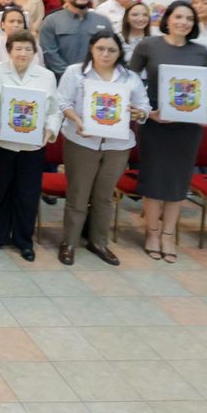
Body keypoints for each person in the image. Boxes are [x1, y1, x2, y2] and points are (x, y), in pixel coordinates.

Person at [55, 30, 149, 266]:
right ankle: (69, 242)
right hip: (81, 142)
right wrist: (77, 120)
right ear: (91, 49)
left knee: (104, 196)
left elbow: (144, 106)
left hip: (118, 146)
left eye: (111, 50)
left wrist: (139, 113)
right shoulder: (75, 73)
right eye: (100, 49)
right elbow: (62, 101)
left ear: (119, 53)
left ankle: (98, 242)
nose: (105, 54)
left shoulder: (130, 78)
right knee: (78, 194)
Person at [127, 0, 207, 264]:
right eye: (178, 17)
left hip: (188, 127)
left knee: (178, 181)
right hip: (156, 123)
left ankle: (168, 235)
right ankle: (152, 233)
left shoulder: (201, 52)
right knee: (153, 179)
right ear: (167, 19)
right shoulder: (148, 45)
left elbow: (203, 88)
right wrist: (146, 111)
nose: (183, 22)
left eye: (189, 18)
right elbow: (129, 81)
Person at [0, 29, 60, 260]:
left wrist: (50, 130)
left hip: (33, 146)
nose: (23, 53)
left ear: (35, 52)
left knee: (28, 194)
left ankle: (24, 240)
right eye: (18, 48)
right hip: (2, 143)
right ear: (9, 50)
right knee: (2, 191)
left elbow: (54, 110)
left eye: (28, 49)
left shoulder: (46, 76)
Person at [40, 0, 111, 78]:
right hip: (60, 80)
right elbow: (49, 53)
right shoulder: (51, 21)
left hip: (95, 79)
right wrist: (71, 76)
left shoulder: (103, 21)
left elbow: (109, 50)